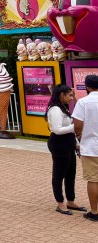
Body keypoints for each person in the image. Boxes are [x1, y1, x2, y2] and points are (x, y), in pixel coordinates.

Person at [46, 84, 86, 215]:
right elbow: (57, 130)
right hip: (59, 144)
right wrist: (75, 127)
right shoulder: (55, 109)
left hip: (68, 143)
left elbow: (68, 127)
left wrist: (76, 143)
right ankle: (60, 202)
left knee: (71, 173)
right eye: (69, 95)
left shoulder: (63, 108)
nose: (71, 98)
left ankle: (70, 200)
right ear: (61, 95)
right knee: (59, 174)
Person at [73, 74, 98, 221]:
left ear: (87, 86)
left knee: (93, 179)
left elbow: (77, 125)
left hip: (91, 147)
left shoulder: (83, 102)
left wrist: (79, 135)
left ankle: (95, 211)